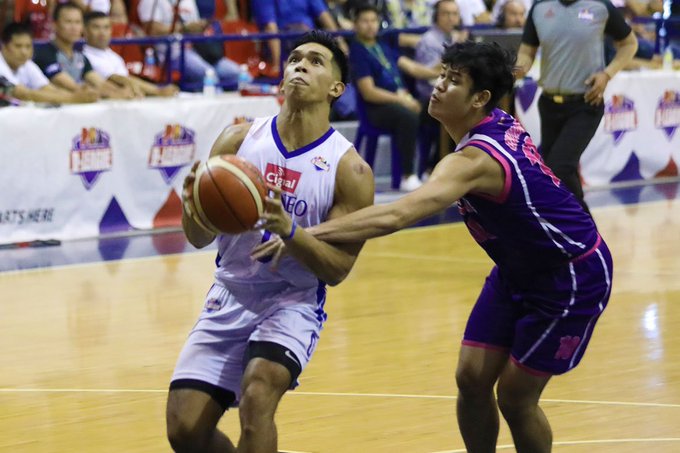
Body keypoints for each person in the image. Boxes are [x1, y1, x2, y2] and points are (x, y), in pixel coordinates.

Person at [255, 41, 614, 453]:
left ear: (479, 99)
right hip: (517, 268)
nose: (439, 85)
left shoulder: (473, 161)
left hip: (570, 273)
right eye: (442, 74)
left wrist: (300, 232)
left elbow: (396, 216)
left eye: (453, 81)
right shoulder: (495, 120)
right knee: (470, 378)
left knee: (515, 397)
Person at [166, 30, 374, 453]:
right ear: (282, 78)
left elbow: (336, 270)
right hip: (229, 294)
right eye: (295, 59)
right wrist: (195, 206)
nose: (300, 65)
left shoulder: (349, 170)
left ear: (336, 88)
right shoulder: (238, 140)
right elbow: (197, 238)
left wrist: (290, 232)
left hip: (292, 301)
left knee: (257, 398)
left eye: (315, 61)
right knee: (185, 430)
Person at [515, 0, 638, 211]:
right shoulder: (539, 7)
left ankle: (585, 228)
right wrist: (518, 68)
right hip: (549, 103)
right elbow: (527, 51)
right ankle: (575, 232)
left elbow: (629, 43)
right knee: (555, 172)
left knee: (560, 166)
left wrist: (607, 74)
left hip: (586, 103)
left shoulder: (600, 6)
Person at [350, 4, 439, 191]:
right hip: (376, 108)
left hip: (401, 100)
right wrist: (401, 100)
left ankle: (430, 168)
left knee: (438, 110)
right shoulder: (357, 51)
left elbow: (413, 68)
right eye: (365, 21)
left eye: (373, 21)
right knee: (408, 116)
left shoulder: (382, 44)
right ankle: (408, 175)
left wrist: (437, 69)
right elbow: (369, 92)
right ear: (355, 24)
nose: (370, 25)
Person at [33, 2, 132, 99]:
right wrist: (107, 93)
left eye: (77, 22)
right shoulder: (44, 53)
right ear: (55, 25)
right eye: (68, 22)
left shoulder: (81, 57)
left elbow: (98, 82)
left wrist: (119, 92)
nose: (74, 27)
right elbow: (71, 86)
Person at [137, 0, 241, 89]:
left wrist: (201, 26)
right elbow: (152, 30)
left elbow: (195, 25)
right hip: (173, 56)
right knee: (210, 78)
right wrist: (183, 29)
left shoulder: (188, 1)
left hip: (199, 51)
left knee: (239, 75)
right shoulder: (150, 1)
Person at [83, 11, 179, 97]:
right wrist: (158, 91)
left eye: (106, 27)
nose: (102, 32)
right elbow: (118, 80)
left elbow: (127, 80)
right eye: (96, 27)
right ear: (85, 31)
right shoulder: (85, 57)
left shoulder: (114, 57)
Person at [0, 22, 98, 103]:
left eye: (28, 46)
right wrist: (73, 99)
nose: (24, 52)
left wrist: (79, 95)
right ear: (4, 47)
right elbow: (22, 94)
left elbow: (47, 88)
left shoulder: (27, 64)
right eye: (18, 46)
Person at [251, 0, 348, 78]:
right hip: (285, 47)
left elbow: (323, 15)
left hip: (312, 42)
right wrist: (277, 64)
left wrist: (340, 41)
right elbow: (270, 27)